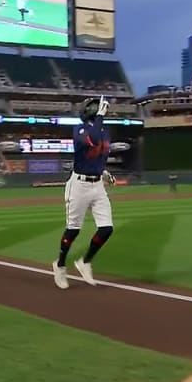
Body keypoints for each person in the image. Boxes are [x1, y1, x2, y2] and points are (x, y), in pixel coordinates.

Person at [53, 96, 114, 289]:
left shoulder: (103, 131)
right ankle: (60, 265)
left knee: (106, 229)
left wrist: (103, 172)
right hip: (78, 185)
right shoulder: (80, 130)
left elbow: (98, 156)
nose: (99, 108)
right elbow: (92, 140)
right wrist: (101, 116)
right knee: (73, 230)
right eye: (95, 107)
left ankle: (85, 262)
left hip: (97, 185)